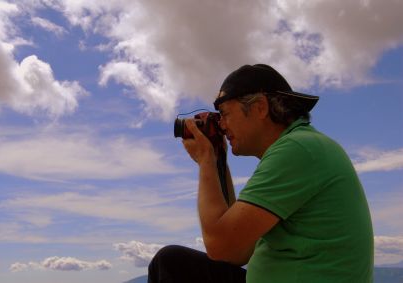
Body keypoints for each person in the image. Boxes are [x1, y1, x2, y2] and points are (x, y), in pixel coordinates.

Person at [148, 64, 374, 283]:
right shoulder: (303, 146)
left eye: (225, 113)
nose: (222, 125)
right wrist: (218, 159)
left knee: (171, 265)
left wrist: (206, 160)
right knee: (171, 262)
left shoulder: (297, 149)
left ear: (260, 108)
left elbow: (220, 245)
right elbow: (239, 252)